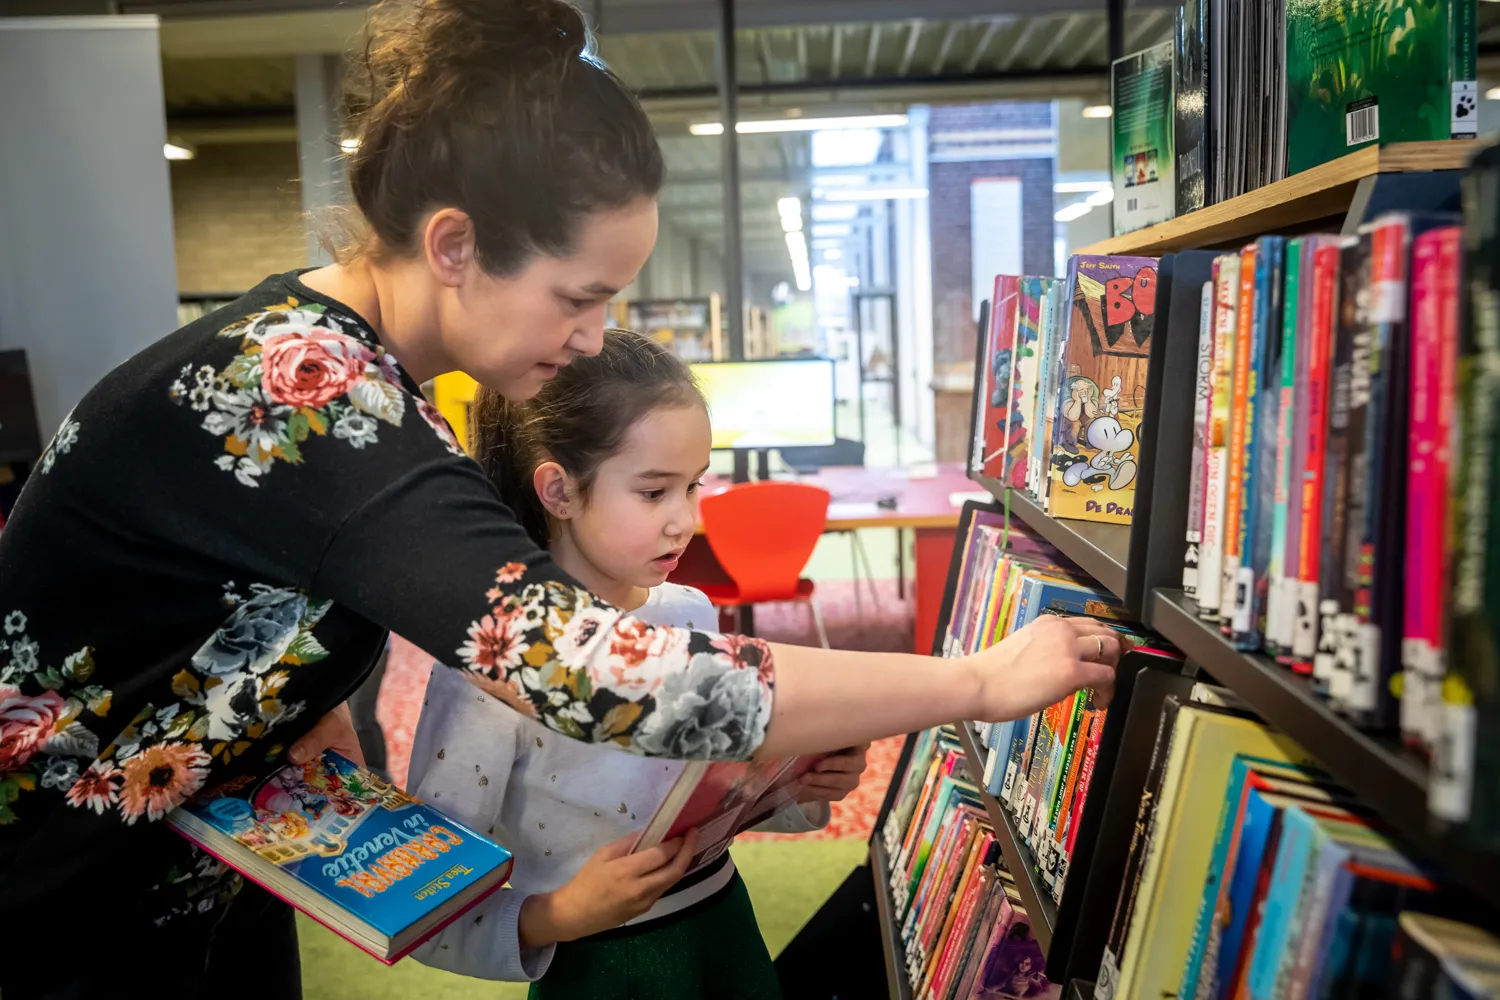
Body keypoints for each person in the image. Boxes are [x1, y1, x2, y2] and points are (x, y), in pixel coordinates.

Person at [0, 0, 1122, 994]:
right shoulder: (301, 394)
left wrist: (310, 702)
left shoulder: (370, 388)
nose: (592, 338)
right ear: (454, 245)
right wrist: (973, 679)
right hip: (60, 893)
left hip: (207, 861)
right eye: (577, 297)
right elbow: (593, 675)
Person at [407, 331, 868, 997]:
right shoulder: (492, 664)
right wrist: (559, 914)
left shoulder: (688, 612)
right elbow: (427, 905)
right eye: (655, 493)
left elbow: (703, 795)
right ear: (559, 490)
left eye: (694, 486)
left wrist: (803, 784)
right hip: (603, 968)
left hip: (724, 930)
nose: (686, 520)